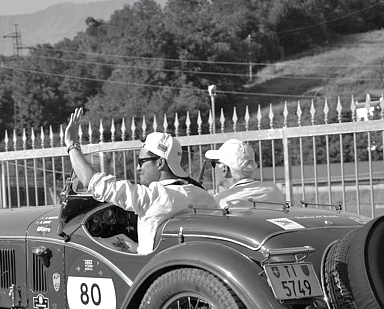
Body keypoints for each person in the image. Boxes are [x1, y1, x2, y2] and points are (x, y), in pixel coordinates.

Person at [64, 108, 217, 254]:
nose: (138, 168)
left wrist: (71, 145)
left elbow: (92, 182)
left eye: (141, 161)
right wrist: (136, 246)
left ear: (160, 163)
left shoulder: (153, 197)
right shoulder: (202, 195)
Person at [204, 138, 286, 209]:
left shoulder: (221, 201)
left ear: (225, 169)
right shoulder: (273, 190)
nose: (213, 169)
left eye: (214, 163)